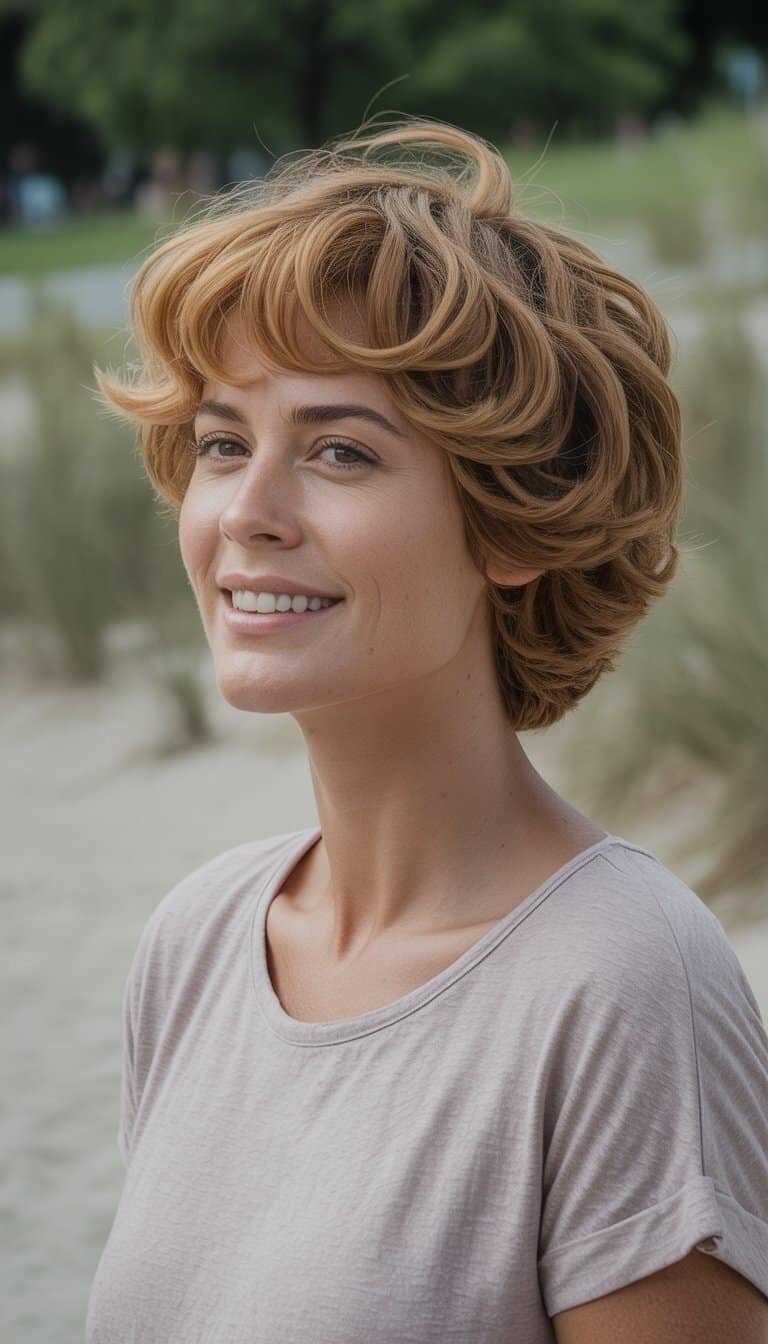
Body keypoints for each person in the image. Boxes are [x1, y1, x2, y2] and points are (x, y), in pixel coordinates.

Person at [85, 116, 768, 1343]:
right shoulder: (197, 941)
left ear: (514, 521)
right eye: (225, 442)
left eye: (340, 451)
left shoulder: (621, 983)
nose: (246, 511)